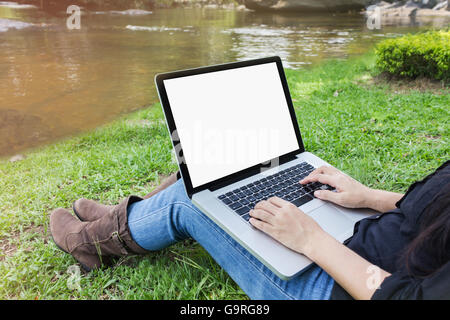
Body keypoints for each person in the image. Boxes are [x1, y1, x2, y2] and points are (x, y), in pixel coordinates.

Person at [50, 161, 450, 300]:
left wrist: (312, 239)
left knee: (195, 198)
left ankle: (93, 243)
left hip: (333, 287)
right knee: (219, 176)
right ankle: (132, 217)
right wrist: (370, 196)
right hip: (367, 241)